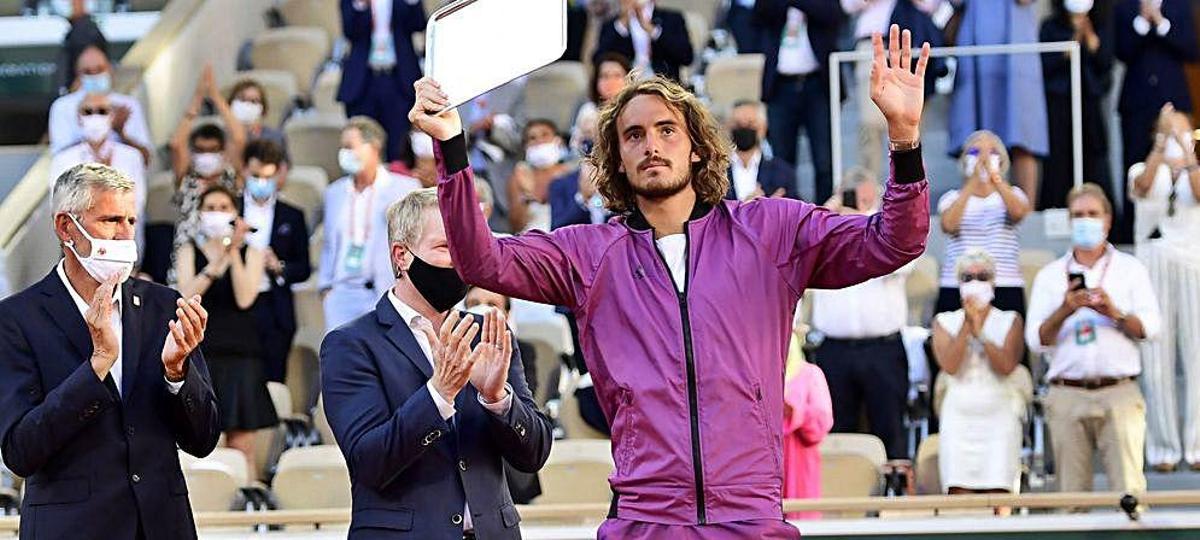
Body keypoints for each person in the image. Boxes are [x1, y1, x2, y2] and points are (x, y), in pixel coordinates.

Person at [412, 25, 931, 537]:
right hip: (647, 518)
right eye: (633, 135)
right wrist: (452, 148)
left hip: (750, 514)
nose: (651, 145)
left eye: (666, 130)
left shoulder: (770, 231)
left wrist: (905, 141)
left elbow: (894, 241)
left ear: (697, 148)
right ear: (616, 158)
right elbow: (481, 263)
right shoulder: (588, 255)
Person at [0, 163, 219, 539]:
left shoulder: (163, 307)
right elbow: (21, 450)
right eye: (111, 220)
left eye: (131, 221)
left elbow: (203, 440)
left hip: (161, 526)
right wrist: (97, 365)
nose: (125, 234)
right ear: (66, 228)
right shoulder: (17, 319)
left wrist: (177, 375)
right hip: (71, 529)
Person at [320, 189, 552, 539]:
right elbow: (369, 463)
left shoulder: (488, 333)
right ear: (402, 256)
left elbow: (533, 455)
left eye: (466, 247)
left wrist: (497, 399)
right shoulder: (351, 344)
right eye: (446, 248)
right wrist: (438, 395)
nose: (461, 261)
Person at [1025, 183, 1161, 496]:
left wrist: (1115, 313)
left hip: (1119, 392)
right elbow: (1037, 340)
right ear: (1069, 221)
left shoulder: (1130, 269)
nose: (1085, 220)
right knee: (1071, 499)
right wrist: (1065, 309)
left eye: (1092, 214)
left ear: (1107, 220)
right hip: (1067, 392)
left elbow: (1151, 328)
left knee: (1130, 497)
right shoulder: (1050, 275)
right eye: (1078, 215)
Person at [173, 186, 277, 473]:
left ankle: (247, 510)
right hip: (202, 354)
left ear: (235, 213)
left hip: (242, 354)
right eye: (211, 207)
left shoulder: (251, 252)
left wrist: (233, 251)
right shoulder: (189, 249)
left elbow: (245, 298)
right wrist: (216, 261)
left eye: (223, 207)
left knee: (242, 446)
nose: (217, 213)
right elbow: (187, 295)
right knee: (204, 445)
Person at [809, 168, 912, 459]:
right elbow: (803, 252)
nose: (862, 205)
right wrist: (826, 216)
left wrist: (858, 221)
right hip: (835, 349)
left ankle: (896, 496)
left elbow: (901, 259)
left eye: (868, 199)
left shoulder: (889, 227)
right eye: (856, 199)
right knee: (838, 431)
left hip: (883, 348)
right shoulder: (828, 226)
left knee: (890, 428)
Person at [1127, 105, 1200, 471]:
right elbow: (1141, 189)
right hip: (1152, 264)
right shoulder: (1142, 170)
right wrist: (1161, 145)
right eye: (1169, 132)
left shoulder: (1194, 173)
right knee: (1156, 360)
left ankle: (1197, 446)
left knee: (1197, 355)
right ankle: (1163, 449)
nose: (1174, 138)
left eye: (1181, 131)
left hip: (1192, 265)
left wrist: (1187, 155)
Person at [932, 249, 1030, 499]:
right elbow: (950, 366)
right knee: (958, 489)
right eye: (967, 277)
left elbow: (1006, 365)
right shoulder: (944, 321)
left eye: (982, 276)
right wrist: (967, 324)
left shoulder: (1010, 320)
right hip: (959, 414)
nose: (975, 282)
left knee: (1000, 489)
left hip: (1000, 412)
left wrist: (981, 332)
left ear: (993, 282)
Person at [319, 116, 421, 331]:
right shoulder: (334, 192)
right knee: (342, 360)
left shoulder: (404, 188)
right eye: (342, 147)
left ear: (373, 147)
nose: (344, 153)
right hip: (341, 293)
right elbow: (328, 243)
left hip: (384, 290)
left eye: (350, 147)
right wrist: (326, 287)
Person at [948, 0, 1048, 209]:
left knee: (1022, 136)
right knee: (973, 140)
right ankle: (972, 209)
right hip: (976, 46)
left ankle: (1025, 213)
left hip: (1016, 48)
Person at [1115, 0, 1199, 243]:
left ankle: (1183, 228)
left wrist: (1160, 22)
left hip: (1174, 99)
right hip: (1137, 103)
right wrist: (1142, 22)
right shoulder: (1125, 8)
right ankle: (1132, 232)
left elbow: (1192, 50)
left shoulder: (1180, 6)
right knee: (1135, 161)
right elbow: (1121, 51)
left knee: (1180, 162)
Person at [754, 0, 842, 204]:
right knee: (782, 159)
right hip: (780, 86)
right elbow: (760, 13)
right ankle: (787, 215)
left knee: (824, 161)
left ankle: (824, 217)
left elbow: (833, 15)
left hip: (816, 84)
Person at [936, 130, 1032, 316]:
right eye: (975, 152)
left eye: (992, 153)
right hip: (957, 282)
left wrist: (995, 179)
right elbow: (948, 225)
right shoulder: (951, 198)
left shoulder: (1013, 193)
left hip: (1004, 281)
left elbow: (1019, 213)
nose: (984, 159)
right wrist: (972, 183)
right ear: (964, 161)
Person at [168, 65, 248, 285]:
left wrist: (215, 96)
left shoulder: (231, 179)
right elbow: (176, 144)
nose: (207, 156)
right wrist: (197, 98)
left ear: (223, 153)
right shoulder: (187, 179)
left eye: (213, 150)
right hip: (187, 261)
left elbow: (239, 138)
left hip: (225, 258)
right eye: (201, 151)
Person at [464, 286, 544, 505]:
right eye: (473, 304)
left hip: (512, 474)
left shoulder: (523, 351)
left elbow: (527, 404)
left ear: (507, 314)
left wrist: (494, 392)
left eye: (492, 305)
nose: (482, 310)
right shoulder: (451, 354)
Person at [242, 139, 312, 383]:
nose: (261, 182)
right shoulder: (229, 209)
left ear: (279, 175)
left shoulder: (292, 216)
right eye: (255, 175)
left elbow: (303, 268)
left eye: (267, 177)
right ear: (244, 171)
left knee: (272, 377)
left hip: (274, 308)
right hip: (236, 307)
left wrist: (279, 266)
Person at [1039, 0, 1117, 210]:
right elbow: (1045, 65)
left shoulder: (1101, 26)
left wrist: (1091, 41)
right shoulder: (1051, 27)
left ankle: (1098, 212)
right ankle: (1059, 210)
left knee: (1095, 160)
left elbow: (1105, 67)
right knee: (1059, 164)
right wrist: (1071, 43)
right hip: (1059, 107)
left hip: (1089, 108)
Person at [338, 0, 427, 161]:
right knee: (362, 147)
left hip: (398, 80)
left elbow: (418, 23)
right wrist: (361, 4)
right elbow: (350, 31)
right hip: (364, 82)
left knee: (399, 149)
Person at [50, 92, 147, 225]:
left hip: (124, 237)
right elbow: (60, 204)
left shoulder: (131, 156)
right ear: (78, 117)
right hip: (80, 238)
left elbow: (137, 203)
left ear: (112, 116)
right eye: (88, 112)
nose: (95, 117)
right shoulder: (62, 160)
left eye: (102, 111)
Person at [48, 45, 151, 164]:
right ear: (78, 75)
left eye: (99, 69)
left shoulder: (127, 105)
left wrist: (120, 132)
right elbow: (59, 158)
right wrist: (95, 134)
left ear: (110, 70)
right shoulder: (62, 106)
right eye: (87, 72)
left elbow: (145, 159)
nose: (94, 75)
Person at [782, 340, 833, 521]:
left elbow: (822, 423)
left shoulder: (810, 374)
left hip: (800, 464)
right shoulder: (756, 375)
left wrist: (795, 413)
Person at [592, 0, 694, 82]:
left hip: (662, 84)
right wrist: (622, 24)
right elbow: (598, 60)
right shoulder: (612, 25)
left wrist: (653, 31)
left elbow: (686, 57)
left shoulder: (671, 19)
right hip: (626, 85)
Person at [507, 119, 572, 233]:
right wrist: (527, 194)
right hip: (529, 242)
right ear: (526, 146)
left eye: (545, 135)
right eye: (532, 138)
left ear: (558, 140)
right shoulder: (520, 176)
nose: (539, 141)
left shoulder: (570, 174)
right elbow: (515, 226)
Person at [726, 99, 799, 201]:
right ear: (728, 127)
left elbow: (795, 210)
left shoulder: (782, 172)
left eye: (750, 124)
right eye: (738, 124)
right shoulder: (715, 171)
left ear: (763, 128)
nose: (744, 129)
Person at [572, 52, 633, 145]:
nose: (611, 82)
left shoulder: (636, 109)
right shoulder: (588, 111)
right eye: (605, 76)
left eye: (617, 76)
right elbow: (574, 149)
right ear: (596, 81)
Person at [227, 78, 289, 159]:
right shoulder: (221, 135)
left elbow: (283, 167)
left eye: (254, 101)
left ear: (262, 109)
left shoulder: (275, 138)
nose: (247, 105)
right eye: (242, 99)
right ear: (231, 104)